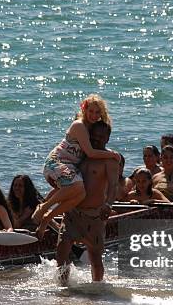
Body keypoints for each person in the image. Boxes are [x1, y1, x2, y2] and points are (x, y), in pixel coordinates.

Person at [33, 94, 120, 238]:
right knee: (77, 186)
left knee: (81, 194)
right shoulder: (79, 125)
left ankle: (47, 218)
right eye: (91, 111)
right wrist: (112, 155)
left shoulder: (94, 128)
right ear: (84, 110)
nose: (93, 115)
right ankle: (44, 207)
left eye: (97, 112)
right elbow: (91, 153)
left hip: (71, 167)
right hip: (57, 162)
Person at [56, 121, 119, 283]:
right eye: (94, 135)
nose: (97, 139)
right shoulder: (81, 154)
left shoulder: (110, 159)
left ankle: (97, 289)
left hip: (94, 215)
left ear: (107, 138)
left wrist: (109, 204)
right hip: (72, 211)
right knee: (61, 252)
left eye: (101, 137)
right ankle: (63, 288)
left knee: (95, 258)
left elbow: (113, 186)